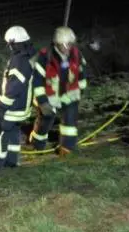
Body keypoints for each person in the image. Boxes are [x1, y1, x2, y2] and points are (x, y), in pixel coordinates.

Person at [29, 26, 88, 155]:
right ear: (56, 44)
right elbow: (37, 82)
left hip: (70, 95)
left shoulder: (77, 54)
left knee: (70, 123)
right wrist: (42, 102)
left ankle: (66, 148)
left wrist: (81, 91)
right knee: (46, 121)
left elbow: (82, 73)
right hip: (50, 97)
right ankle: (37, 144)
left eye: (70, 44)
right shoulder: (45, 57)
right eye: (63, 45)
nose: (67, 48)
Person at [0, 25, 34, 171]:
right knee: (13, 133)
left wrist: (0, 105)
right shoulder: (30, 55)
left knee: (2, 134)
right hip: (23, 107)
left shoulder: (18, 61)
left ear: (13, 43)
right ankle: (12, 161)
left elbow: (13, 88)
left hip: (13, 108)